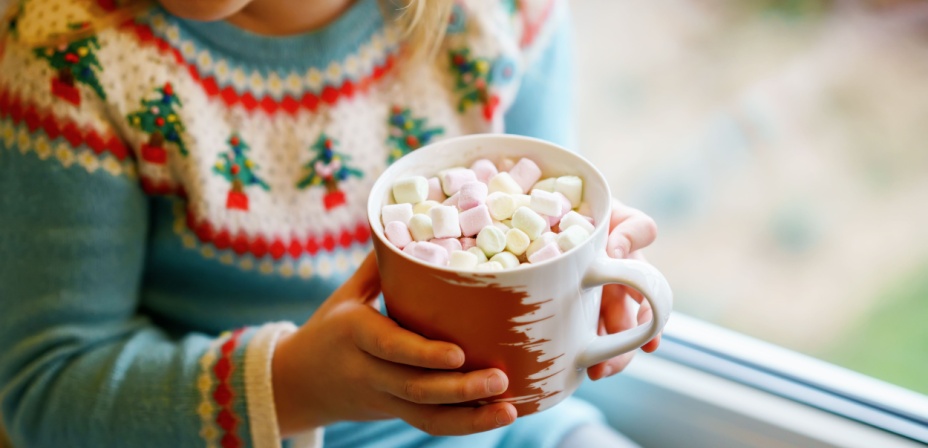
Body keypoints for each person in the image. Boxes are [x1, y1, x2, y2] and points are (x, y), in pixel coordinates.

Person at [0, 0, 661, 446]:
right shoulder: (72, 63)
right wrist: (295, 384)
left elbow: (546, 202)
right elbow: (43, 392)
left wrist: (586, 264)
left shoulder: (497, 15)